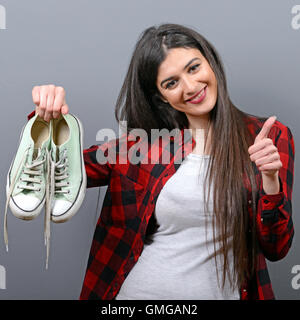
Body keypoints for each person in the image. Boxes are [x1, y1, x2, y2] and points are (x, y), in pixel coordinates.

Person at [30, 23, 294, 300]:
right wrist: (47, 120)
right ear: (162, 97)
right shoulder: (142, 148)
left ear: (211, 62)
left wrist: (270, 180)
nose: (191, 87)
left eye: (193, 68)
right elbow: (52, 173)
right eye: (171, 83)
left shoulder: (268, 137)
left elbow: (277, 248)